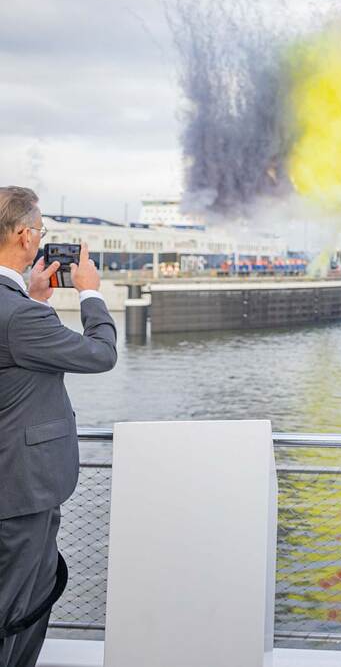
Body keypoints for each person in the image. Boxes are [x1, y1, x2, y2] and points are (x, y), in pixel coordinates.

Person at [0, 187, 117, 667]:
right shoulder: (20, 317)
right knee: (17, 611)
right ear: (27, 236)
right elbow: (101, 354)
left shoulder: (20, 309)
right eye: (41, 231)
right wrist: (90, 290)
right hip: (20, 493)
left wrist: (35, 300)